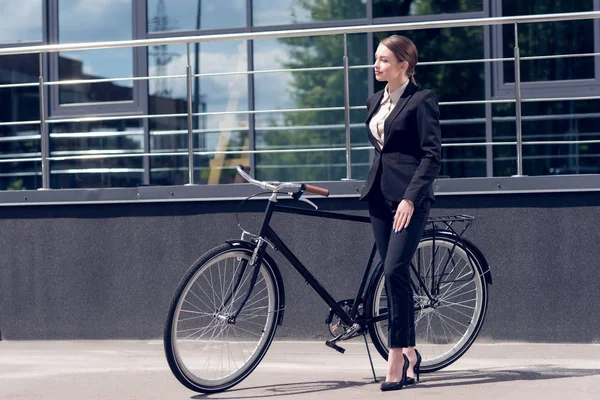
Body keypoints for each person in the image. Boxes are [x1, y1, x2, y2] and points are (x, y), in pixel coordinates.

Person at [360, 35, 441, 391]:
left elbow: (432, 155)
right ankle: (410, 353)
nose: (376, 66)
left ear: (403, 65)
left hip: (409, 200)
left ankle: (395, 359)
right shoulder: (375, 100)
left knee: (394, 271)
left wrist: (411, 198)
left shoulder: (421, 100)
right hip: (379, 196)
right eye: (376, 59)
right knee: (395, 277)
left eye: (383, 60)